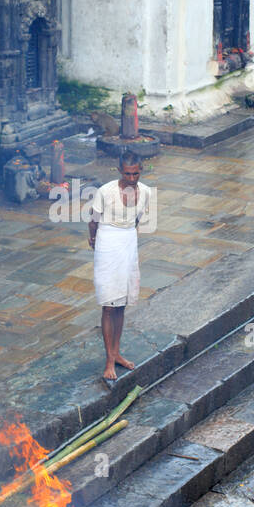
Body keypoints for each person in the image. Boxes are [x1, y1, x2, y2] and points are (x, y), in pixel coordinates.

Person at [88, 154, 152, 385]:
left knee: (121, 302)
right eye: (127, 173)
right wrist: (94, 238)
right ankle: (108, 361)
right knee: (108, 302)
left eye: (136, 173)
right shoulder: (105, 191)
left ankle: (116, 354)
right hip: (107, 239)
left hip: (127, 241)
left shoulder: (146, 192)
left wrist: (129, 236)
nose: (132, 178)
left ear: (141, 170)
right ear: (119, 170)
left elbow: (136, 220)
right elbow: (93, 219)